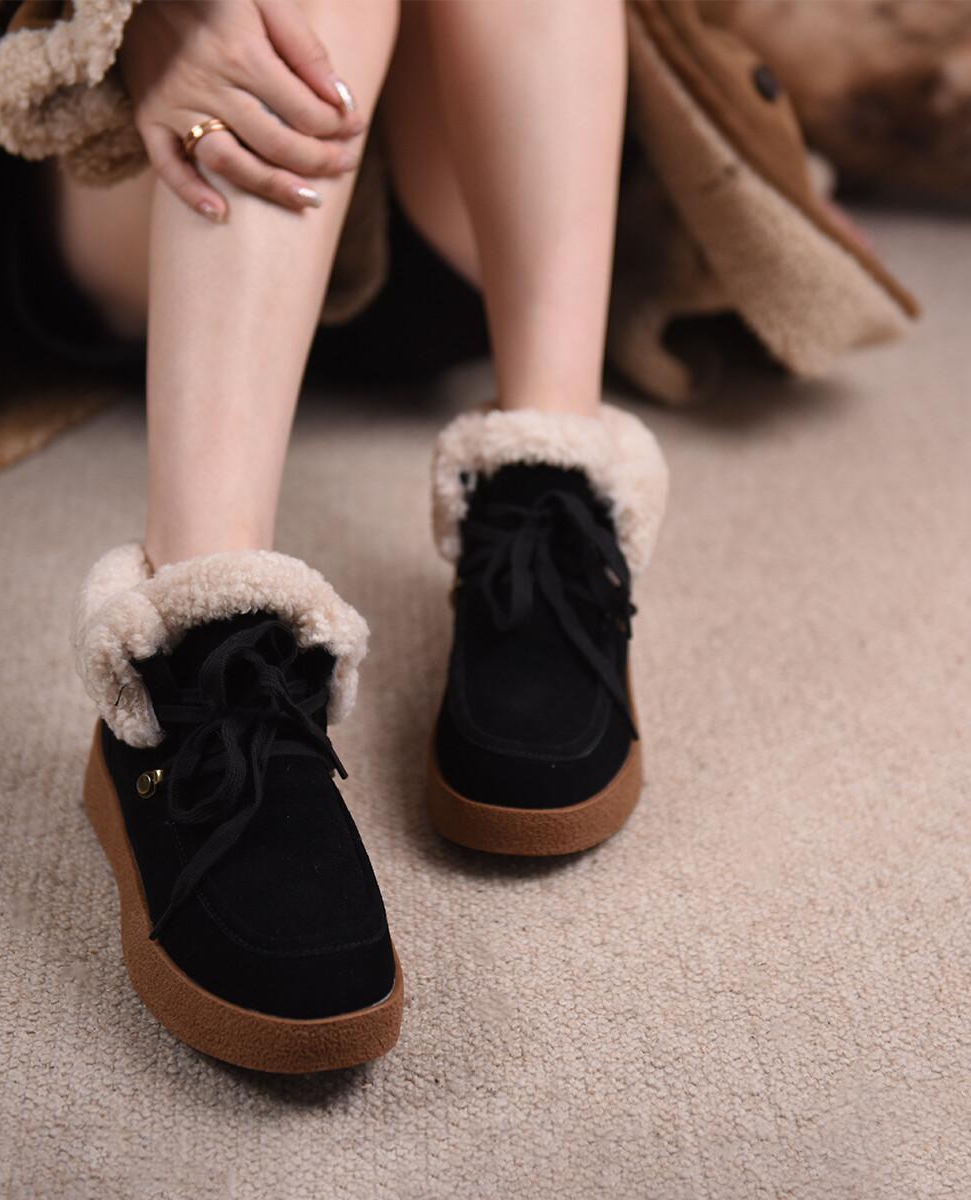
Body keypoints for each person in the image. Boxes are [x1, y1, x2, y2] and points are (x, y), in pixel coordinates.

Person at [52, 0, 668, 1074]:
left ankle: (545, 463)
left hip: (460, 200)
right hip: (148, 173)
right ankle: (200, 615)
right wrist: (140, 17)